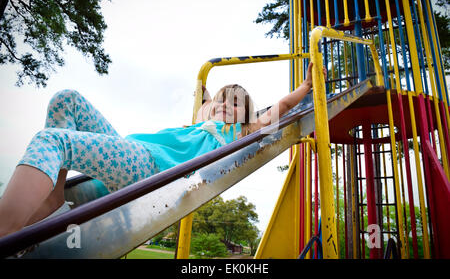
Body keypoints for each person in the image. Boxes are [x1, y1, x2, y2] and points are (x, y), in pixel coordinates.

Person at [0, 62, 325, 238]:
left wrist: (307, 87)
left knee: (52, 141)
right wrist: (207, 93)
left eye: (237, 104)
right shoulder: (200, 121)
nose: (226, 105)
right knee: (66, 99)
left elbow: (278, 108)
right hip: (131, 150)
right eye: (223, 100)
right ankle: (55, 197)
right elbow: (205, 96)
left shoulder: (239, 134)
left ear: (247, 117)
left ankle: (7, 231)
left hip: (150, 171)